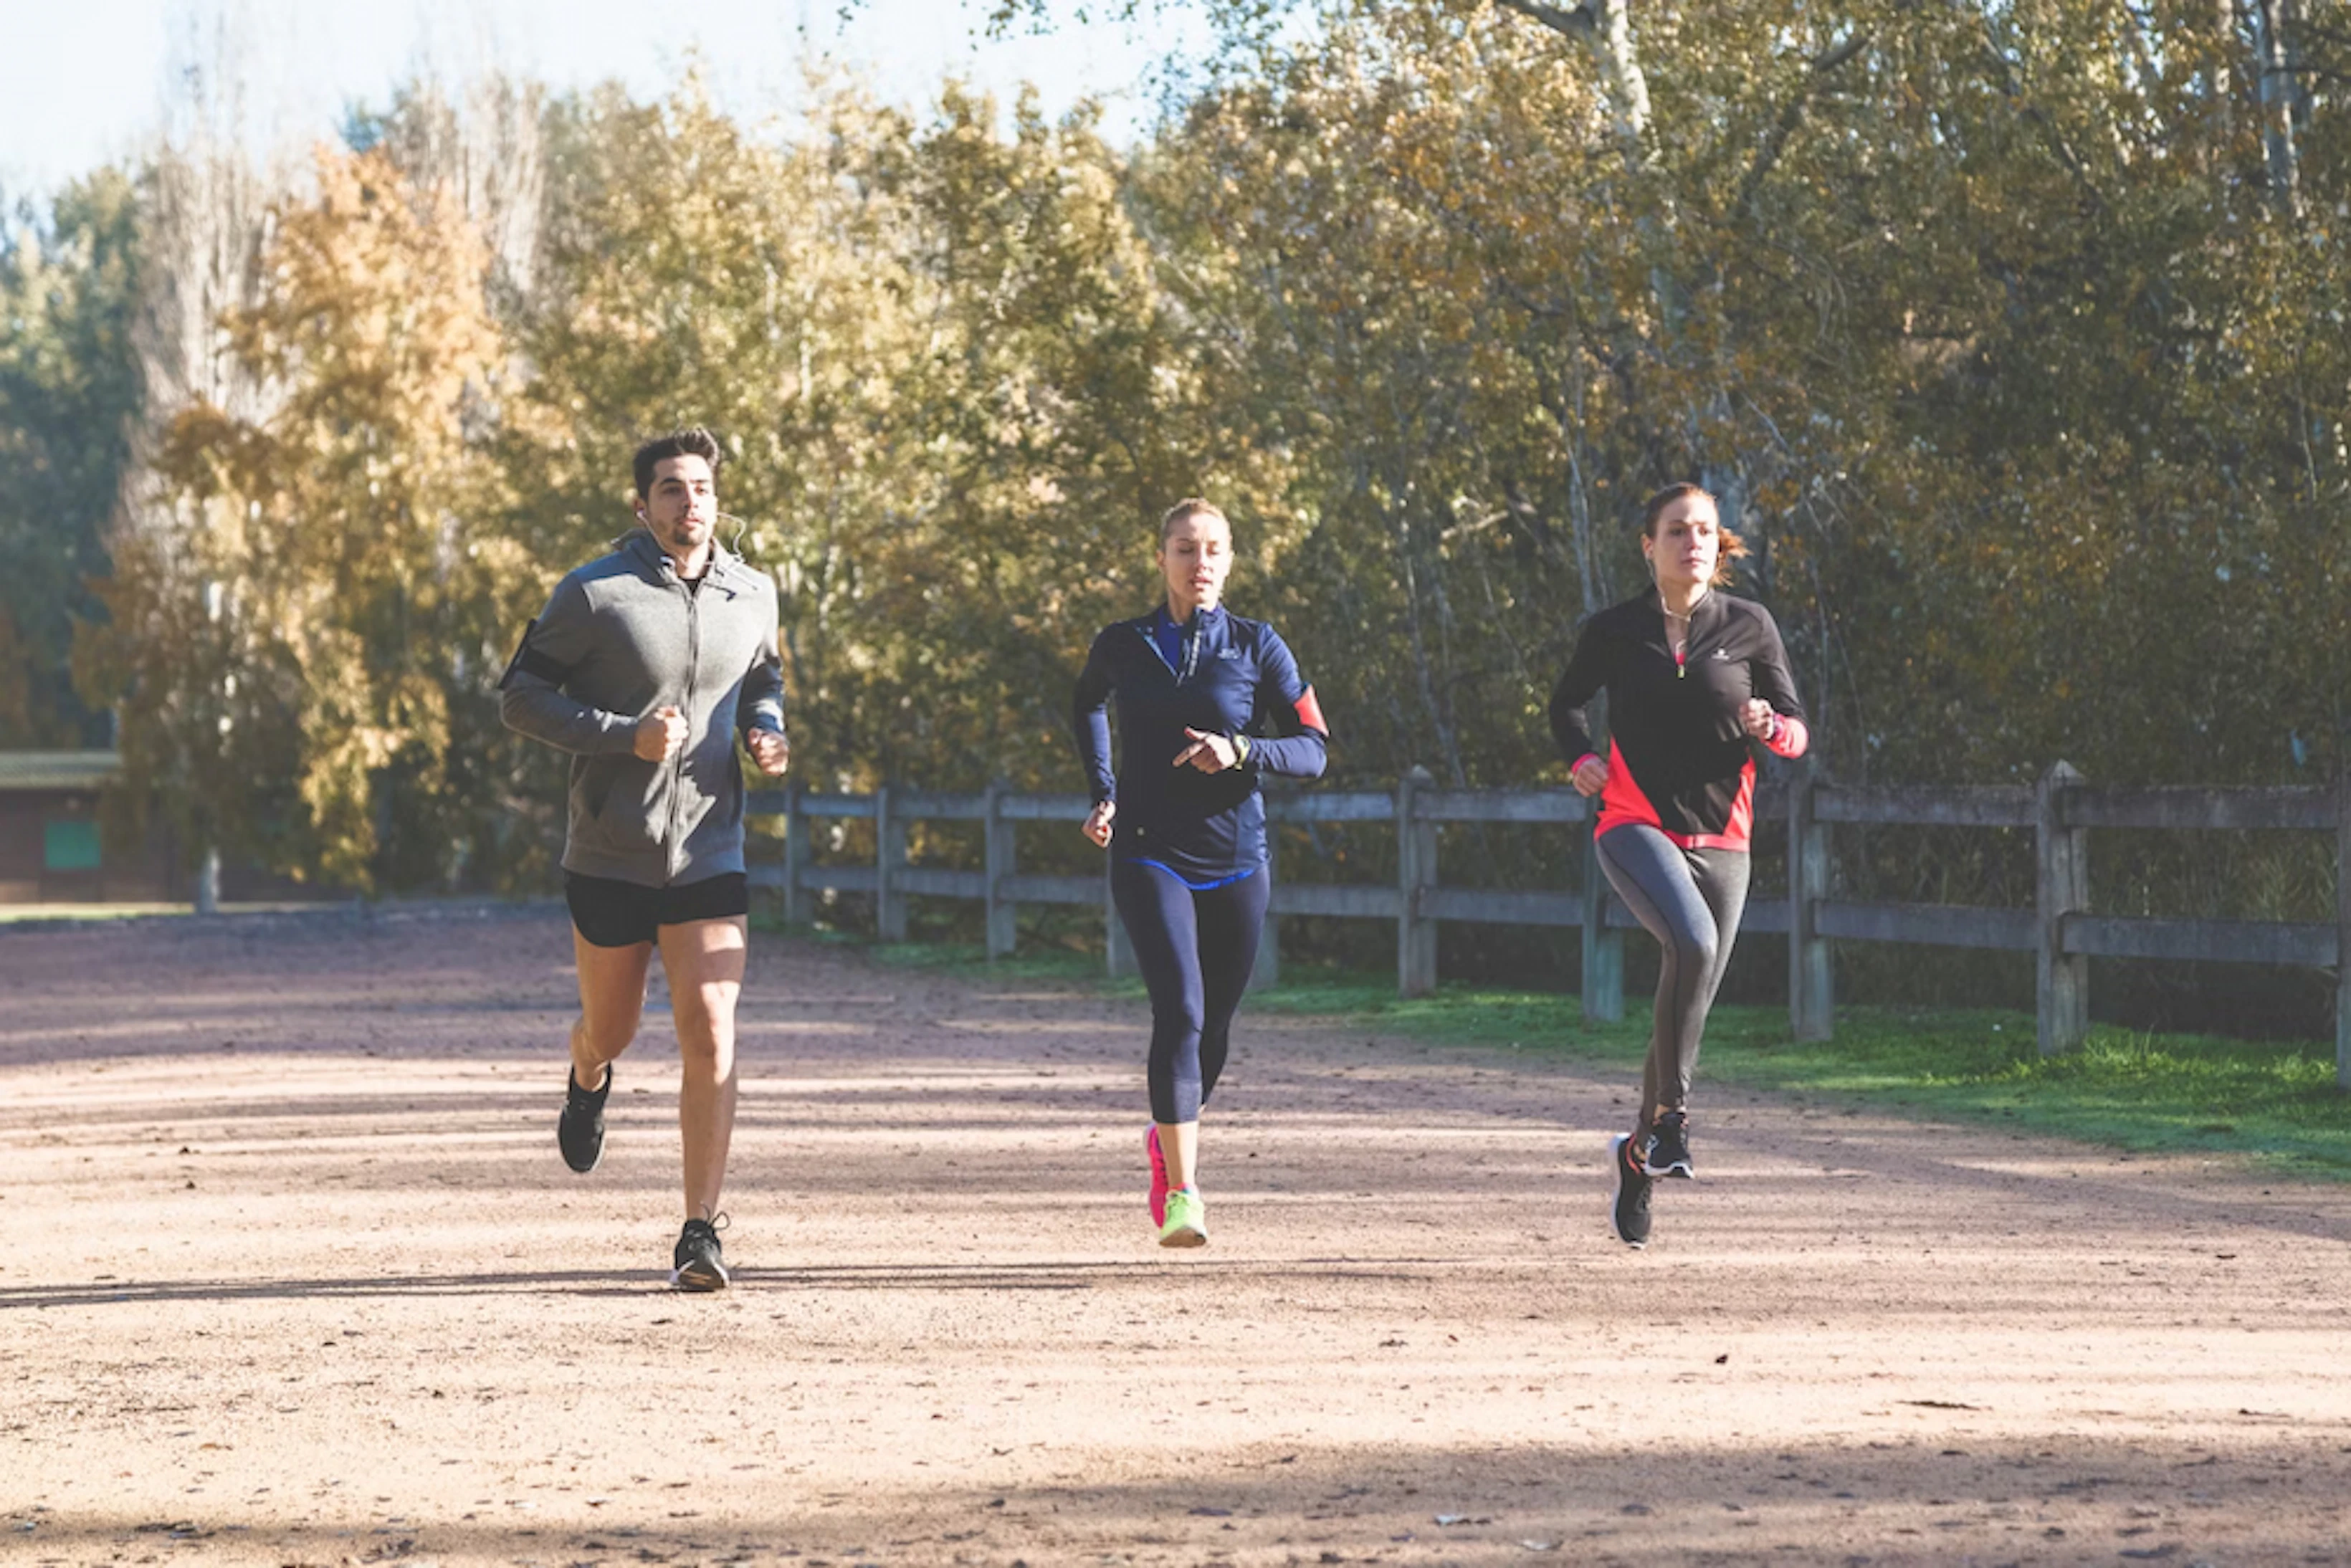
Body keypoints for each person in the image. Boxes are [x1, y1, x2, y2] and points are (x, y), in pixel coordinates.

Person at [500, 427, 789, 1290]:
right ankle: (588, 1071)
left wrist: (764, 728)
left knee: (712, 1031)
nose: (688, 502)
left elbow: (761, 674)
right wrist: (627, 737)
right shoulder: (596, 594)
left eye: (700, 487)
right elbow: (520, 697)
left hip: (709, 847)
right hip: (612, 850)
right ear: (642, 505)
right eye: (670, 488)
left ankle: (700, 1230)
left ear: (716, 499)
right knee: (615, 1026)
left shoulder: (754, 593)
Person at [1548, 482, 1808, 1250]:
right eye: (1676, 530)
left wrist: (1770, 725)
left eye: (1704, 531)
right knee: (1690, 946)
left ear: (1717, 543)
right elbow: (1565, 704)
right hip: (1633, 824)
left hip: (1725, 840)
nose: (1691, 541)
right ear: (1648, 545)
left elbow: (1797, 730)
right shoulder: (1616, 630)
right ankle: (1673, 1123)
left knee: (1688, 996)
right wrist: (1582, 759)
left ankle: (1638, 1153)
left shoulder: (1750, 626)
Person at [1072, 498, 1329, 1248]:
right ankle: (1184, 1192)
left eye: (1214, 549)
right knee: (1179, 1012)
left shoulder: (1257, 645)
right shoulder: (1123, 643)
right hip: (1150, 851)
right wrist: (1103, 789)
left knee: (1213, 1026)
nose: (1201, 562)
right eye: (1185, 548)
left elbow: (1314, 747)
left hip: (1237, 860)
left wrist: (1244, 749)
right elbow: (1085, 702)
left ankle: (1166, 1133)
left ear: (1230, 559)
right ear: (1162, 560)